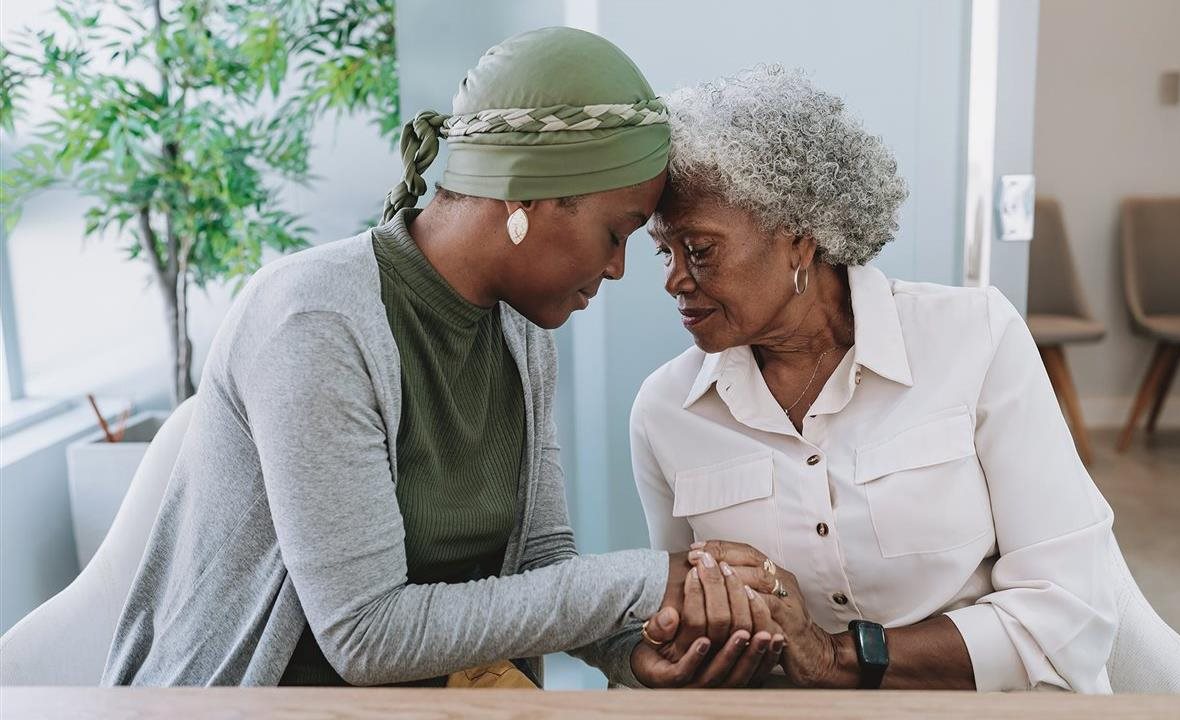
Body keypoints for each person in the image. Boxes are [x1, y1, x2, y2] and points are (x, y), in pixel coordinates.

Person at [103, 28, 781, 689]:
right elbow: (365, 636)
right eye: (616, 232)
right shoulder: (317, 320)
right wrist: (647, 580)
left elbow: (541, 564)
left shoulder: (520, 335)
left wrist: (629, 654)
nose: (617, 268)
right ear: (526, 195)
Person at [627, 65, 1119, 692]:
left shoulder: (974, 338)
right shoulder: (666, 410)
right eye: (664, 252)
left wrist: (835, 657)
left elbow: (1071, 610)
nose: (674, 279)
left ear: (800, 240)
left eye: (699, 249)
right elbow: (691, 614)